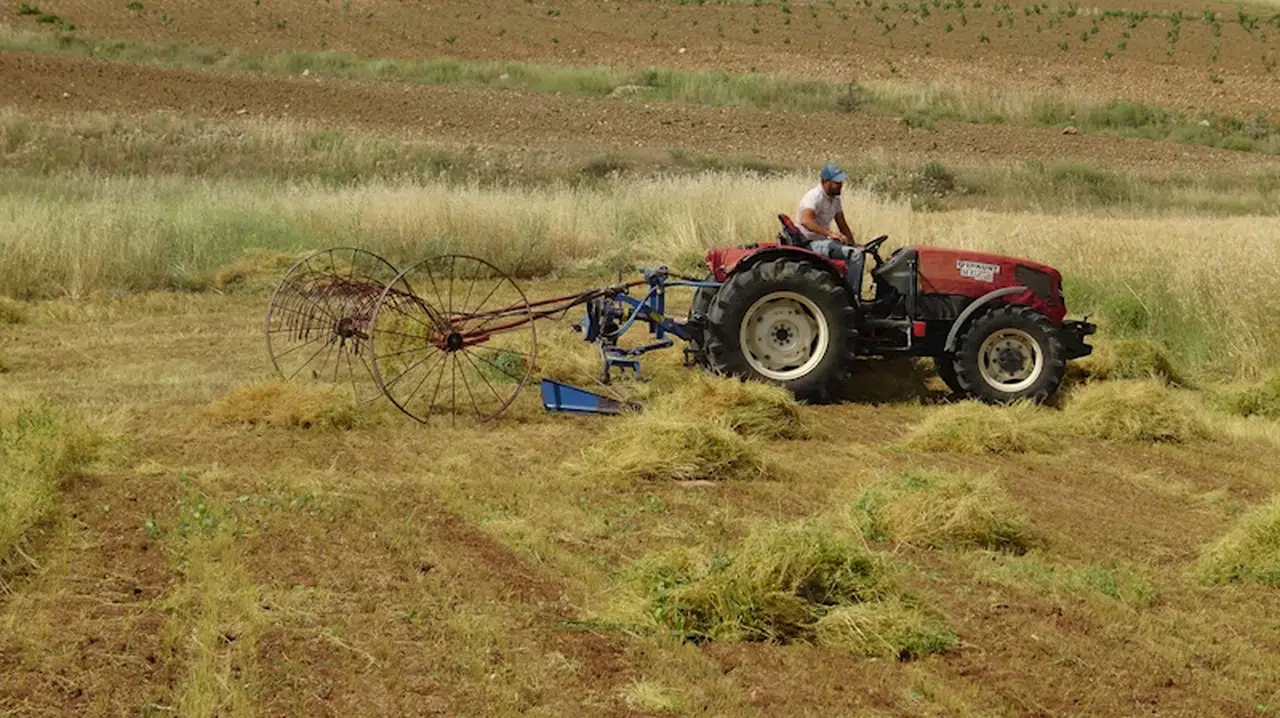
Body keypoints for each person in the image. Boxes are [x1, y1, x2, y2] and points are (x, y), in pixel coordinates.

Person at [796, 163, 867, 298]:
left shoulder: (835, 200)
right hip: (810, 243)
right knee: (855, 256)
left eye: (841, 182)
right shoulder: (813, 197)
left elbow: (842, 225)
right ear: (825, 181)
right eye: (836, 183)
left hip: (822, 242)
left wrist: (853, 244)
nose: (840, 185)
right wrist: (830, 233)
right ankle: (852, 297)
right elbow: (806, 221)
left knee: (858, 252)